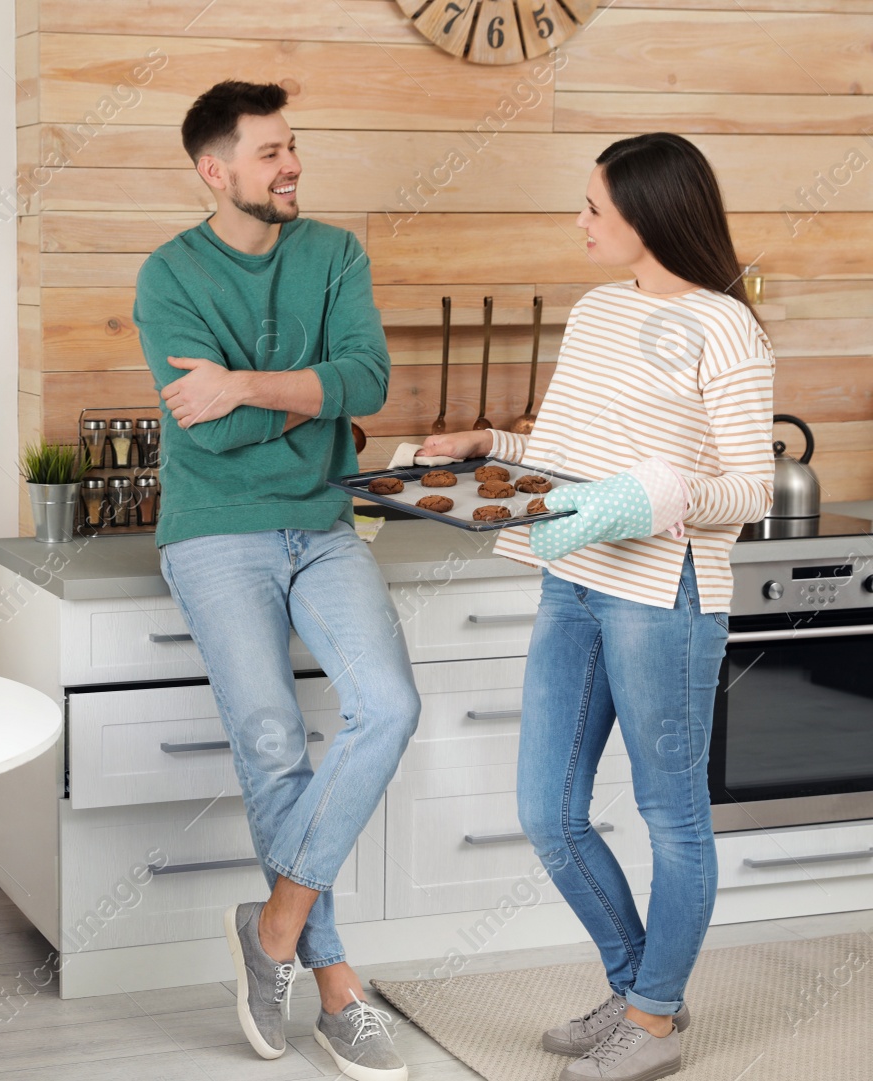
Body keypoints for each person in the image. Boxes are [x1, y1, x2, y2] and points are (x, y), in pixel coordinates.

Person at [424, 132, 775, 1081]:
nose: (579, 222)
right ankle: (640, 989)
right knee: (549, 810)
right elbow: (568, 444)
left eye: (593, 207)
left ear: (648, 216)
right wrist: (485, 440)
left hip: (667, 589)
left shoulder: (723, 327)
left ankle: (652, 1019)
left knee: (672, 815)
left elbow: (752, 488)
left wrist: (654, 499)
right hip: (577, 575)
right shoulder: (596, 310)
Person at [132, 80, 418, 1079]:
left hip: (325, 524)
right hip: (213, 532)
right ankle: (339, 989)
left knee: (386, 705)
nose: (289, 165)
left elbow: (368, 382)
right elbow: (201, 423)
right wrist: (311, 401)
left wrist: (251, 387)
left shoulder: (333, 253)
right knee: (269, 741)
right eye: (268, 153)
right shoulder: (168, 275)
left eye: (292, 147)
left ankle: (276, 926)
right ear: (214, 172)